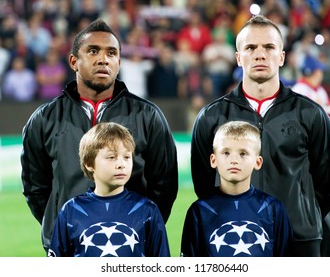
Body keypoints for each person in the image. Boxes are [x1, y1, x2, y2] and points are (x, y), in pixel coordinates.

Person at [21, 19, 178, 253]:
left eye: (111, 53)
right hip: (69, 248)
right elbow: (36, 187)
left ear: (119, 62)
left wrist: (139, 229)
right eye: (93, 51)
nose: (103, 59)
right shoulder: (44, 118)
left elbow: (164, 185)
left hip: (131, 247)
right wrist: (64, 227)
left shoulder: (148, 115)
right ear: (74, 61)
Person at [191, 15, 330, 257]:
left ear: (281, 56)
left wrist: (301, 218)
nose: (260, 54)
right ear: (239, 57)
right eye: (250, 48)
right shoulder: (212, 116)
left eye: (269, 47)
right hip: (234, 241)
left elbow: (326, 184)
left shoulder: (310, 113)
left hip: (299, 242)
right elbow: (204, 183)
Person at [48, 122, 170, 257]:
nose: (121, 164)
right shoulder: (70, 211)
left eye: (127, 157)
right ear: (89, 164)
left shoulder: (147, 210)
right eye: (112, 157)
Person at [182, 121, 293, 257]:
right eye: (226, 152)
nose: (234, 160)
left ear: (257, 162)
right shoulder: (199, 210)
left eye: (243, 153)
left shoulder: (273, 208)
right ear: (213, 160)